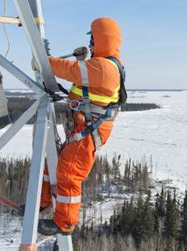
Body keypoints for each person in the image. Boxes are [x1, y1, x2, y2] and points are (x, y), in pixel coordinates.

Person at [37, 17, 124, 235]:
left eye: (94, 40)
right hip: (83, 127)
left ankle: (65, 222)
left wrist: (46, 61)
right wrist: (82, 60)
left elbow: (73, 71)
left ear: (102, 40)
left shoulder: (105, 67)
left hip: (88, 130)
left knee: (69, 173)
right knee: (53, 165)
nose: (91, 45)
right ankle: (42, 202)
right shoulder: (103, 65)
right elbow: (82, 76)